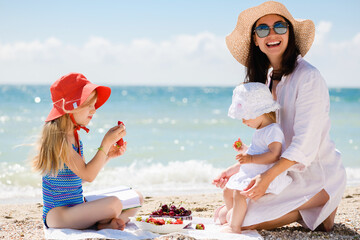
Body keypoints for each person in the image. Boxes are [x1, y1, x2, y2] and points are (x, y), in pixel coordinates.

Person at [213, 1, 346, 232]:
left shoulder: (309, 77)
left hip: (315, 174)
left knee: (236, 218)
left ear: (289, 33)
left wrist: (265, 179)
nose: (271, 34)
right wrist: (236, 167)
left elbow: (304, 144)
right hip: (285, 174)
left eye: (279, 27)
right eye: (262, 29)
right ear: (255, 39)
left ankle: (319, 203)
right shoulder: (266, 80)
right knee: (228, 209)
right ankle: (306, 211)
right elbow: (272, 141)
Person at [32, 73, 143, 230]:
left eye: (94, 105)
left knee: (136, 197)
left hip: (77, 207)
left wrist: (108, 156)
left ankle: (103, 223)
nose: (94, 110)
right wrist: (105, 144)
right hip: (59, 215)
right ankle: (104, 222)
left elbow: (81, 178)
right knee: (114, 204)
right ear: (70, 106)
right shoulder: (60, 139)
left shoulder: (74, 136)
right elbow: (88, 176)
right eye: (89, 105)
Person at [216, 82, 292, 233]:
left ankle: (235, 226)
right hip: (254, 170)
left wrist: (250, 159)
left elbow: (275, 154)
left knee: (239, 192)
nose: (243, 121)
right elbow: (257, 150)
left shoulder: (273, 130)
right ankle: (233, 214)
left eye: (245, 116)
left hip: (264, 174)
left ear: (260, 111)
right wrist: (244, 149)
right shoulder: (261, 130)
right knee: (227, 190)